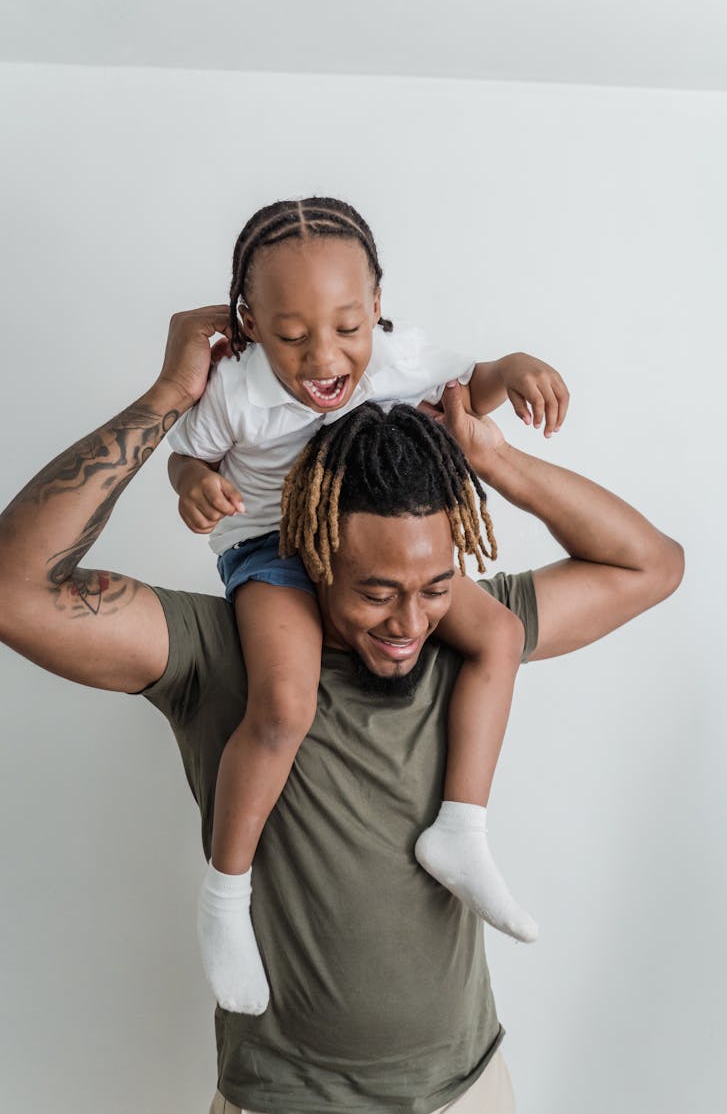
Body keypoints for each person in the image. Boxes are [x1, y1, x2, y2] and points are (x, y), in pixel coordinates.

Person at [0, 309, 683, 1113]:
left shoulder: (460, 638)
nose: (406, 626)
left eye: (434, 587)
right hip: (283, 1100)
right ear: (312, 555)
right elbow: (16, 593)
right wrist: (169, 397)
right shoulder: (224, 654)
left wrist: (493, 455)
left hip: (468, 1090)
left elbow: (651, 564)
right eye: (376, 592)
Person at [166, 197, 570, 1013]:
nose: (325, 356)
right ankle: (224, 898)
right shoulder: (237, 389)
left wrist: (512, 367)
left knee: (497, 633)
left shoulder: (397, 354)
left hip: (370, 557)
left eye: (348, 326)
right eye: (291, 335)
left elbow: (469, 385)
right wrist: (196, 487)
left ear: (378, 306)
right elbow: (187, 457)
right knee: (284, 703)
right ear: (249, 321)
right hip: (273, 550)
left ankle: (461, 828)